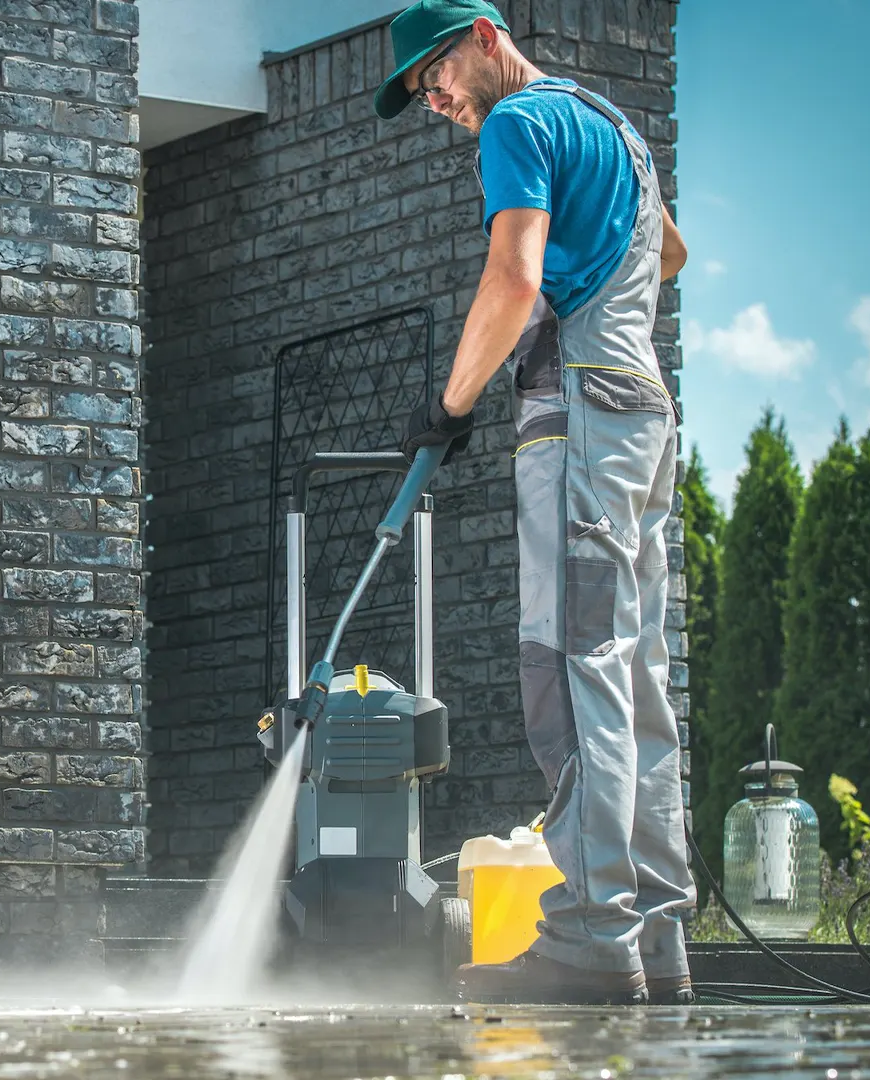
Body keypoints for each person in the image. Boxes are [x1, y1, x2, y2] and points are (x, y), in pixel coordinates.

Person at [375, 0, 696, 1004]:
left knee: (572, 664)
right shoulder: (614, 127)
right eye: (423, 96)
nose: (436, 103)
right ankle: (657, 936)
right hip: (641, 409)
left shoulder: (517, 124)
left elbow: (511, 281)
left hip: (584, 418)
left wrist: (448, 404)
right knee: (632, 674)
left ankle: (593, 937)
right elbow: (670, 256)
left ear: (482, 36)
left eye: (435, 76)